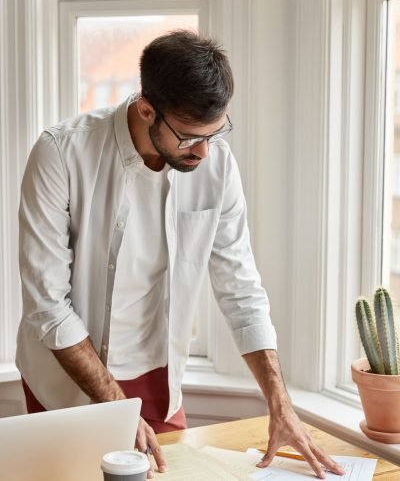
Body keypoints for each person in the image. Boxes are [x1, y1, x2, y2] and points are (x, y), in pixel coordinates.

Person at [16, 30, 345, 479]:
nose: (205, 152)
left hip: (159, 378)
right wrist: (116, 408)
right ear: (146, 108)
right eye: (191, 137)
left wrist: (280, 403)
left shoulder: (217, 165)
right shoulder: (60, 152)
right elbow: (48, 306)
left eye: (216, 132)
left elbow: (240, 288)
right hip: (65, 379)